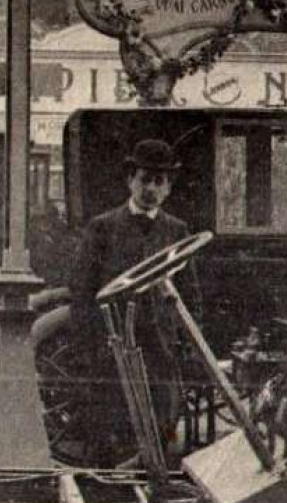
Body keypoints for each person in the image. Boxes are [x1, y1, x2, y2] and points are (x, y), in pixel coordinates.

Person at [69, 137, 199, 465]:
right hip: (111, 348)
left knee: (162, 428)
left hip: (160, 349)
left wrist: (184, 345)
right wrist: (88, 349)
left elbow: (189, 292)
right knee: (108, 428)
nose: (150, 189)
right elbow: (82, 293)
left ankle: (155, 492)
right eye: (144, 179)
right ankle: (106, 496)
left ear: (168, 188)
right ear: (130, 180)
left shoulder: (177, 231)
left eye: (159, 182)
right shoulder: (102, 227)